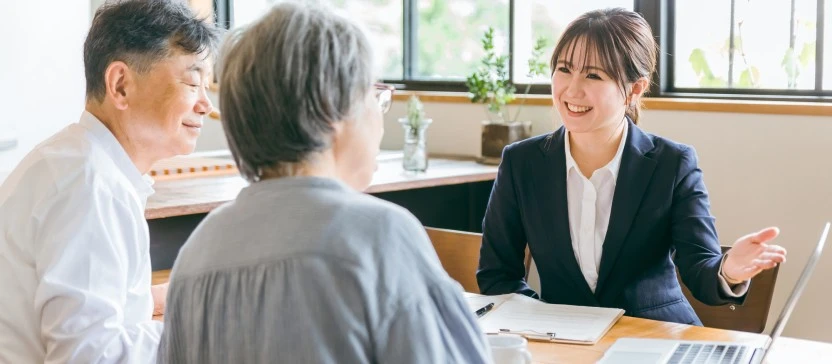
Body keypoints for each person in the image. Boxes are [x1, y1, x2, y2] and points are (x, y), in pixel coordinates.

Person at [156, 2, 490, 363]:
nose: (379, 120)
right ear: (331, 108)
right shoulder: (379, 236)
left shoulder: (197, 254)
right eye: (374, 96)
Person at [476, 8, 787, 325]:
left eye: (593, 75)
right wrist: (545, 321)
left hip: (655, 338)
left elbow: (699, 268)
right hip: (563, 344)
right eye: (564, 69)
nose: (572, 89)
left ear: (635, 89)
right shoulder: (521, 163)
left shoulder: (673, 164)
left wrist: (729, 270)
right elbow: (497, 275)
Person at [0, 1, 220, 362]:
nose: (205, 105)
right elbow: (88, 355)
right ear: (120, 85)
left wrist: (154, 299)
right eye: (192, 82)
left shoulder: (77, 162)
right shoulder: (90, 187)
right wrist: (203, 329)